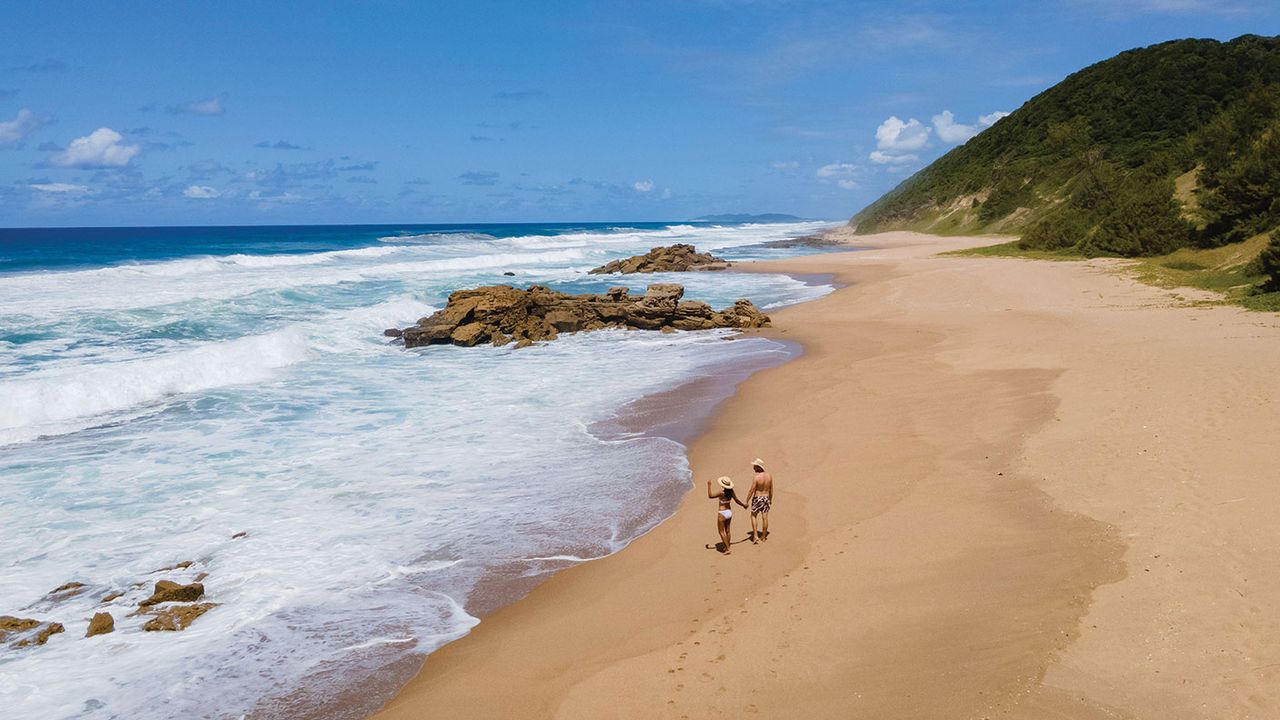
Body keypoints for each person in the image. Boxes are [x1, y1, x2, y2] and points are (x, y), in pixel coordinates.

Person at [707, 476, 746, 554]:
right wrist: (743, 505)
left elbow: (710, 496)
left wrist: (709, 485)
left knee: (721, 531)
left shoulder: (721, 493)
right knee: (728, 530)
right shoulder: (731, 492)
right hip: (729, 512)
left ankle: (728, 549)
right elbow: (737, 500)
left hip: (722, 513)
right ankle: (727, 546)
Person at [746, 458, 774, 543]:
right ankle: (764, 537)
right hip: (766, 497)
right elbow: (771, 489)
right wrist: (770, 499)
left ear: (758, 467)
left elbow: (752, 490)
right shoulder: (769, 476)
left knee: (753, 516)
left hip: (757, 498)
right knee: (765, 518)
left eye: (755, 466)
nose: (753, 468)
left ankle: (755, 536)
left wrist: (747, 500)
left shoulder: (756, 477)